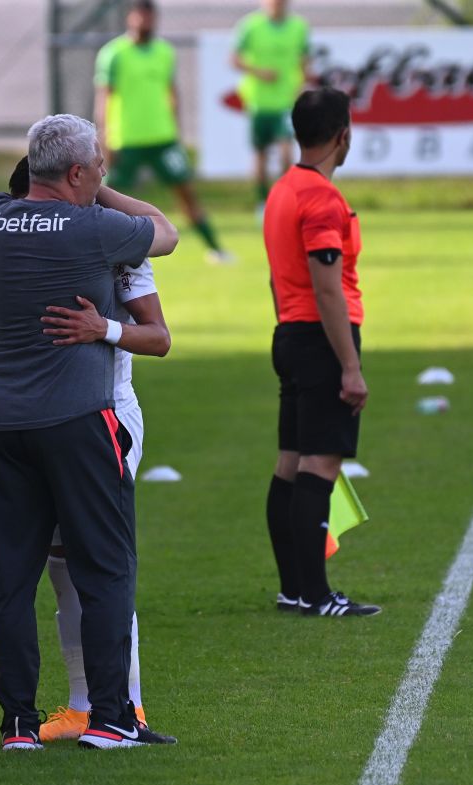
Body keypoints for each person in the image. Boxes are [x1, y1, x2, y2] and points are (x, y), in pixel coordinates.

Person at [0, 114, 177, 751]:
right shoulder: (97, 230)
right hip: (81, 420)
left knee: (12, 579)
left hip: (5, 426)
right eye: (96, 167)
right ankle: (113, 716)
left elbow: (157, 333)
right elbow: (166, 233)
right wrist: (99, 190)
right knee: (103, 570)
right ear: (76, 173)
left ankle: (19, 724)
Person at [263, 88, 380, 618]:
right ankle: (315, 594)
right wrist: (349, 366)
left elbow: (276, 276)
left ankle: (294, 588)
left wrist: (290, 327)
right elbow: (327, 287)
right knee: (319, 462)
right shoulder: (321, 199)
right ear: (343, 136)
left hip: (291, 332)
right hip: (321, 339)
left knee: (291, 462)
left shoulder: (282, 190)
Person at [95, 0, 230, 264]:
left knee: (187, 193)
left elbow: (172, 93)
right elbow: (104, 98)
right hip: (126, 140)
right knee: (104, 198)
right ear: (130, 17)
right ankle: (95, 253)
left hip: (163, 139)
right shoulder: (113, 54)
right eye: (139, 15)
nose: (144, 21)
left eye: (148, 15)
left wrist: (177, 132)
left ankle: (215, 249)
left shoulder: (164, 52)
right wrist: (105, 136)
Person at [231, 0, 313, 212]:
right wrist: (259, 72)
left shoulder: (298, 27)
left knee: (286, 152)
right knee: (260, 155)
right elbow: (234, 59)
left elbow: (305, 61)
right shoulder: (250, 26)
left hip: (285, 102)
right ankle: (262, 202)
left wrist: (302, 85)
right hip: (258, 103)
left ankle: (284, 200)